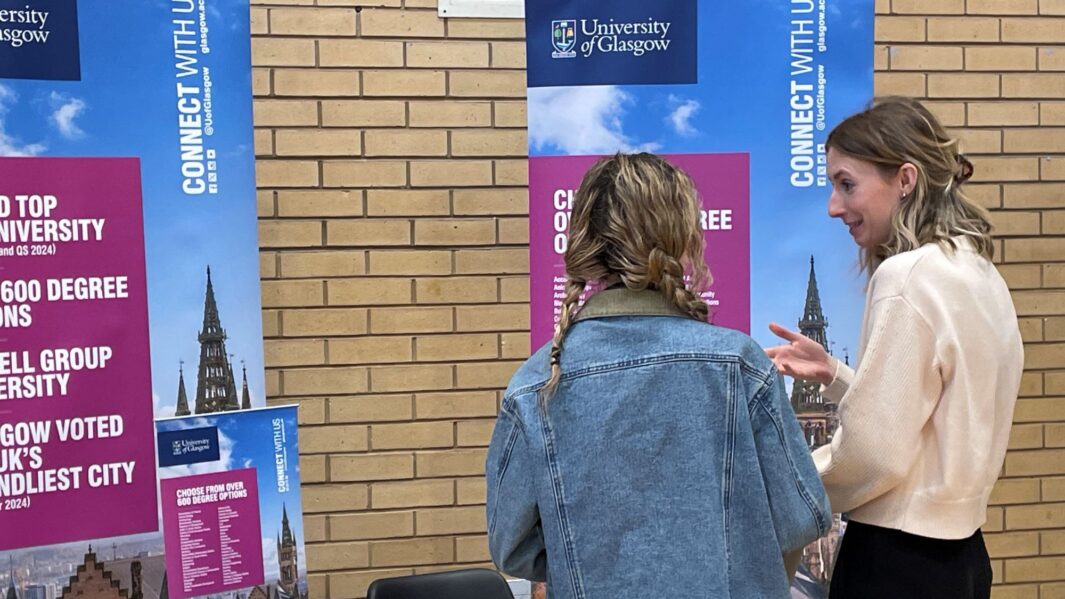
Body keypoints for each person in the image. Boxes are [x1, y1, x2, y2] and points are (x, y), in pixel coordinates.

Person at [486, 153, 830, 598]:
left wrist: (598, 562)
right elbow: (800, 517)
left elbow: (512, 546)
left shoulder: (535, 384)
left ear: (586, 242)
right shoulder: (740, 365)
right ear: (683, 237)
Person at [767, 97, 1024, 599]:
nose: (833, 207)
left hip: (896, 564)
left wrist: (788, 484)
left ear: (904, 180)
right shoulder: (979, 271)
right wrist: (838, 377)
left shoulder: (907, 277)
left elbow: (874, 456)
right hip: (964, 559)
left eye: (847, 184)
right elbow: (945, 410)